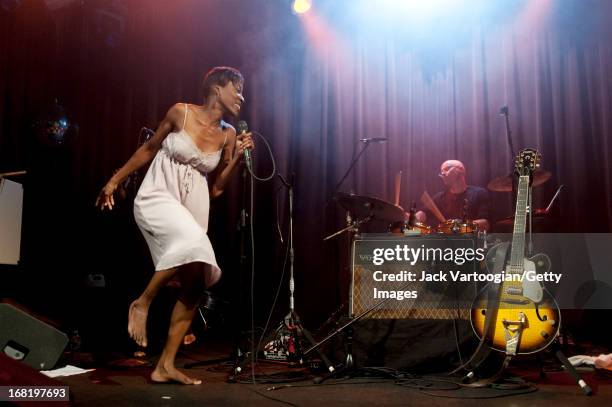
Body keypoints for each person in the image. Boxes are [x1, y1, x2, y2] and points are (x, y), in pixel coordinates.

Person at [96, 66, 253, 385]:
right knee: (195, 245)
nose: (242, 96)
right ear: (216, 88)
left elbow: (219, 188)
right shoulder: (180, 113)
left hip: (194, 205)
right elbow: (149, 149)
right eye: (237, 88)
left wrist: (236, 158)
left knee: (195, 282)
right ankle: (143, 302)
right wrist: (115, 180)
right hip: (158, 194)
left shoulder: (229, 133)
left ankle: (164, 365)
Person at [415, 160, 490, 232]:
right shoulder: (439, 197)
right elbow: (422, 214)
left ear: (460, 170)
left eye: (446, 169)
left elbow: (485, 224)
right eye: (441, 171)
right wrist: (413, 218)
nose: (442, 174)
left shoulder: (479, 193)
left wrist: (457, 227)